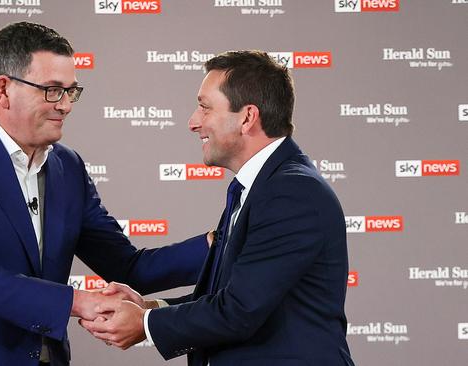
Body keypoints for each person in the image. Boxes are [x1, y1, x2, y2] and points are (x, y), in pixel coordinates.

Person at [0, 22, 208, 366]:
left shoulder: (68, 166)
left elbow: (127, 267)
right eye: (52, 90)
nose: (66, 105)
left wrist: (220, 241)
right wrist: (77, 301)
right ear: (3, 90)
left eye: (71, 91)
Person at [81, 50, 356, 366]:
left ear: (247, 117)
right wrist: (149, 308)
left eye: (204, 108)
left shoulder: (291, 192)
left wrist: (144, 325)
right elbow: (227, 296)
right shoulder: (260, 186)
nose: (193, 122)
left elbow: (239, 310)